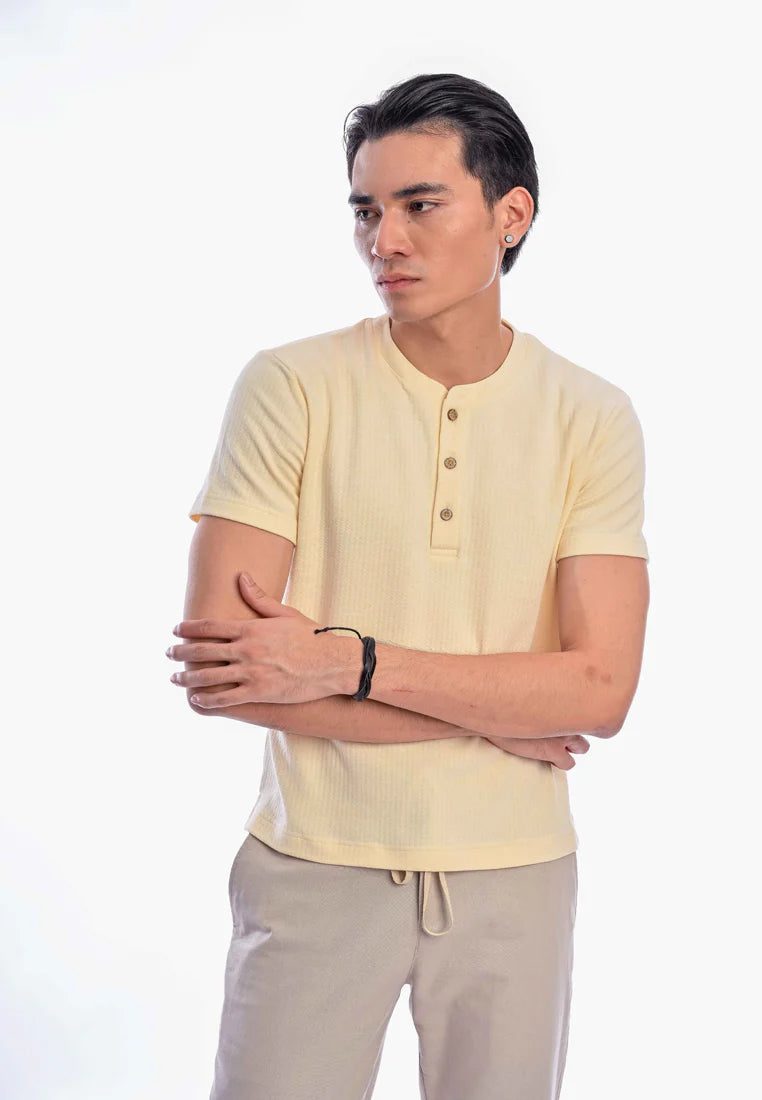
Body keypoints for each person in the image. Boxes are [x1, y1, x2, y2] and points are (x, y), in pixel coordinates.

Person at [168, 72, 650, 1100]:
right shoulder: (291, 386)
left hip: (516, 875)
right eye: (365, 210)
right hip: (315, 862)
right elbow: (224, 670)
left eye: (420, 204)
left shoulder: (591, 416)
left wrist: (346, 661)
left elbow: (601, 690)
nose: (383, 239)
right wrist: (496, 718)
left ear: (511, 215)